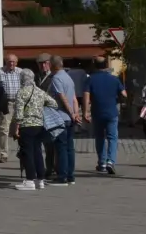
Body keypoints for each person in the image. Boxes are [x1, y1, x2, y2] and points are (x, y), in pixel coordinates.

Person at [10, 69, 53, 191]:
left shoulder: (21, 92)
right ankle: (40, 180)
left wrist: (16, 128)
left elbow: (18, 114)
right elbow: (53, 103)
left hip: (26, 126)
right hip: (39, 125)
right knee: (37, 151)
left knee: (27, 153)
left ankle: (30, 180)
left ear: (22, 79)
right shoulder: (40, 92)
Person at [84, 57, 127, 175]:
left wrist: (85, 112)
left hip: (97, 112)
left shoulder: (90, 79)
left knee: (99, 137)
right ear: (106, 65)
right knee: (112, 137)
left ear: (95, 66)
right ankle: (110, 161)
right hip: (112, 112)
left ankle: (102, 163)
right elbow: (124, 94)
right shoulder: (114, 79)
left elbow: (86, 97)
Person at [44, 55, 81, 185]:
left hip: (61, 118)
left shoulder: (56, 78)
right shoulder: (68, 78)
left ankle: (62, 177)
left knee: (61, 148)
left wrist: (71, 113)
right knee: (70, 148)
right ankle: (70, 176)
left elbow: (62, 97)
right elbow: (74, 98)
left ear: (52, 66)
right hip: (70, 118)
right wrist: (76, 113)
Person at [0, 54, 23, 164]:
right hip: (5, 103)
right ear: (5, 62)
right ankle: (4, 154)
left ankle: (23, 151)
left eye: (13, 62)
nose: (11, 64)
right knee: (4, 129)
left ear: (16, 63)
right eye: (9, 61)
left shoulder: (21, 72)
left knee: (21, 128)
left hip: (19, 103)